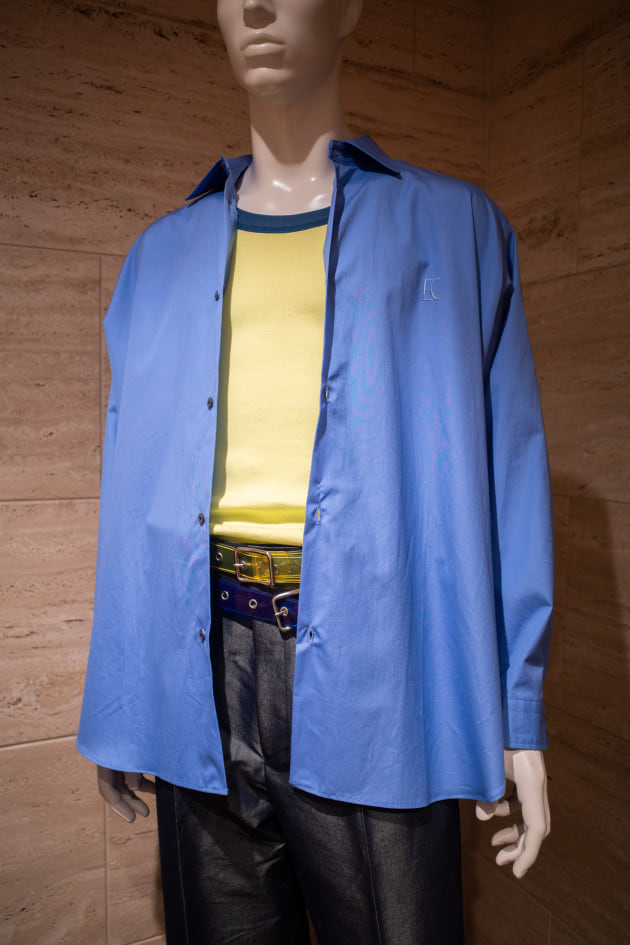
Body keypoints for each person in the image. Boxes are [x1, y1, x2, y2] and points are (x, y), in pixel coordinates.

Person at [77, 1, 553, 942]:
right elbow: (130, 496)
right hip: (196, 671)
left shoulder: (456, 229)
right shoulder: (158, 257)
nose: (255, 5)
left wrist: (518, 710)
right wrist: (125, 697)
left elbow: (511, 476)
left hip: (386, 667)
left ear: (349, 9)